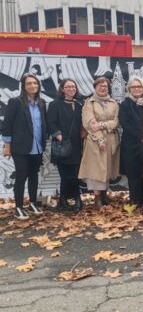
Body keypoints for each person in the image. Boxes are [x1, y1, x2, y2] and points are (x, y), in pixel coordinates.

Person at [2, 73, 47, 220]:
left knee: (34, 175)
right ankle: (19, 207)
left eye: (35, 83)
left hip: (37, 146)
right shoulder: (15, 102)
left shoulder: (41, 103)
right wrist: (7, 145)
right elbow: (7, 124)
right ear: (23, 86)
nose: (33, 86)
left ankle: (33, 203)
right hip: (20, 147)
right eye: (29, 83)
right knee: (21, 176)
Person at [78, 77, 120, 209]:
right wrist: (100, 138)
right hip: (95, 141)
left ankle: (104, 195)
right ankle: (97, 199)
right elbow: (89, 123)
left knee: (107, 168)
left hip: (111, 140)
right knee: (97, 170)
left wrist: (102, 124)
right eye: (100, 86)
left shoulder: (114, 103)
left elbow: (116, 121)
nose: (103, 88)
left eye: (106, 86)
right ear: (95, 87)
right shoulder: (89, 103)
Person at [47, 78, 83, 212]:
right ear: (62, 89)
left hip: (76, 145)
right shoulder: (55, 104)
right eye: (68, 87)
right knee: (65, 175)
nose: (71, 89)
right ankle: (66, 200)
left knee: (74, 175)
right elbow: (50, 123)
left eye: (73, 87)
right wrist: (58, 135)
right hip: (62, 145)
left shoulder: (79, 104)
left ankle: (74, 200)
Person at [119, 77, 143, 207]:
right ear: (129, 89)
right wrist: (141, 136)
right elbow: (124, 123)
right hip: (131, 144)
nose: (137, 89)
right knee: (133, 174)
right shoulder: (125, 104)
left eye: (139, 86)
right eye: (134, 87)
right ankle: (135, 200)